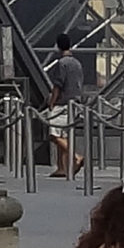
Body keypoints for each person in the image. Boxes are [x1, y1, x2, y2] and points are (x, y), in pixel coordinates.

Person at [44, 31, 92, 176]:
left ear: (58, 46)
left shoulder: (62, 64)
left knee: (53, 135)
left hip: (62, 103)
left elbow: (58, 85)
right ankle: (62, 168)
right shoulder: (77, 63)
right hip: (74, 103)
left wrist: (52, 102)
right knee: (64, 135)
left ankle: (76, 156)